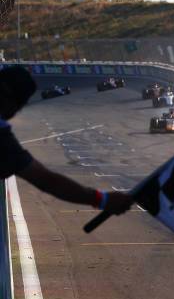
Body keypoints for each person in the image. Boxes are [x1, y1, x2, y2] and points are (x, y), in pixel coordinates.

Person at [0, 66, 132, 215]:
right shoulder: (3, 141)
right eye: (20, 105)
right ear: (13, 102)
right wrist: (102, 199)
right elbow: (46, 180)